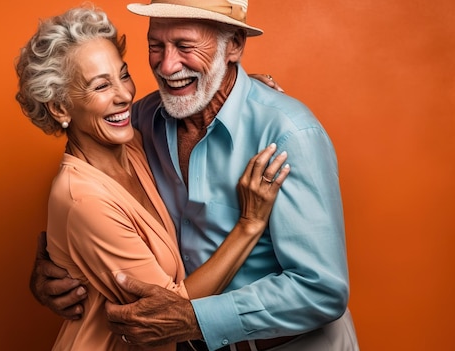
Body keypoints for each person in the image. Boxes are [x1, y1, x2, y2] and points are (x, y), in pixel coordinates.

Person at [33, 0, 361, 350]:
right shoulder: (144, 121)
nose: (167, 64)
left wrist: (194, 319)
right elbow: (87, 183)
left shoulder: (287, 135)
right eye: (156, 46)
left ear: (233, 45)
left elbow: (321, 290)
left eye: (185, 46)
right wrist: (56, 266)